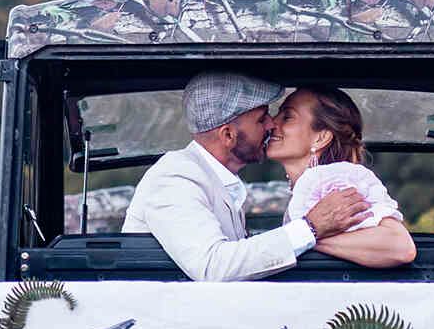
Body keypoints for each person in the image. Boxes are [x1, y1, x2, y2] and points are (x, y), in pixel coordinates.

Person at [121, 72, 374, 280]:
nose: (272, 125)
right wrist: (310, 228)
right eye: (261, 119)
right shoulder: (176, 178)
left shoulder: (217, 181)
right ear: (228, 135)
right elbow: (212, 265)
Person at [266, 86, 417, 268]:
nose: (272, 122)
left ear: (321, 138)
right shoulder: (311, 184)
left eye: (288, 116)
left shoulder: (337, 180)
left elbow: (400, 248)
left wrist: (298, 238)